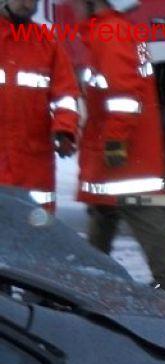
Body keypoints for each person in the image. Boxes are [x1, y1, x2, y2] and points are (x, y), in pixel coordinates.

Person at [73, 0, 165, 295]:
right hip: (121, 149)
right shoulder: (116, 31)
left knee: (139, 211)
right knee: (105, 212)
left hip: (123, 153)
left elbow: (123, 97)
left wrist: (114, 141)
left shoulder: (110, 33)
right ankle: (89, 276)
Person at [0, 0, 79, 211]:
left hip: (34, 163)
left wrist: (65, 130)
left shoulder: (47, 43)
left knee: (38, 231)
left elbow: (65, 95)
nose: (27, 4)